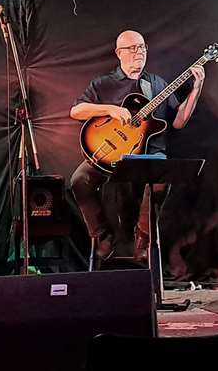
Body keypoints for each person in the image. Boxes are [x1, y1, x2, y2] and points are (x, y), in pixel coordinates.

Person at [69, 30, 205, 262]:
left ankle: (144, 239)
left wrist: (196, 88)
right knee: (79, 180)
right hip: (111, 153)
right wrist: (110, 109)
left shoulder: (157, 84)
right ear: (118, 53)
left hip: (149, 155)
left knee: (162, 178)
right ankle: (101, 237)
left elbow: (179, 121)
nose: (139, 52)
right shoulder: (104, 84)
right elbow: (76, 111)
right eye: (132, 48)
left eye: (141, 47)